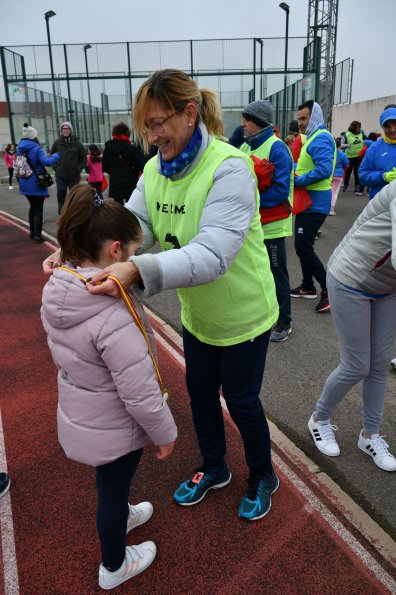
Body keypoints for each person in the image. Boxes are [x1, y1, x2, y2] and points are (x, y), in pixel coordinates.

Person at [44, 68, 280, 522]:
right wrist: (71, 255)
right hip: (199, 317)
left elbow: (212, 253)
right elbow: (132, 227)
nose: (151, 137)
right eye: (145, 127)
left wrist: (136, 267)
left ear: (189, 114)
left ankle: (261, 474)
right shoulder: (154, 169)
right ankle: (214, 468)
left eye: (157, 123)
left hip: (244, 317)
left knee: (242, 401)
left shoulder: (229, 168)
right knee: (200, 395)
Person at [41, 183, 177, 590]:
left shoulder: (60, 288)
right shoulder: (110, 312)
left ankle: (124, 512)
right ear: (115, 251)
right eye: (133, 253)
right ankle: (114, 566)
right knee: (112, 490)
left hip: (87, 412)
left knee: (112, 482)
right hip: (114, 423)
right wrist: (165, 433)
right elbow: (137, 391)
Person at [307, 181, 396, 473]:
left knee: (379, 364)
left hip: (387, 286)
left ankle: (370, 435)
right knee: (357, 365)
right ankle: (319, 419)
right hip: (351, 279)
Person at [240, 99, 294, 342]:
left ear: (259, 122)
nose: (243, 123)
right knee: (253, 272)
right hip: (252, 225)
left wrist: (249, 204)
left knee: (275, 273)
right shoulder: (244, 147)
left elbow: (281, 190)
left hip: (272, 227)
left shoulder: (277, 148)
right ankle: (261, 315)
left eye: (247, 119)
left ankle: (284, 321)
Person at [290, 100, 336, 313]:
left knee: (303, 247)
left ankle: (328, 290)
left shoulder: (321, 138)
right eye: (299, 118)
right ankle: (308, 286)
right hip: (308, 202)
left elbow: (324, 169)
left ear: (314, 117)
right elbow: (310, 165)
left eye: (303, 118)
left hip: (314, 203)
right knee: (303, 246)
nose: (300, 123)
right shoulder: (314, 137)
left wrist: (297, 180)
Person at [17, 123, 59, 243]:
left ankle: (32, 232)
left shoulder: (19, 148)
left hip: (24, 182)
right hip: (36, 182)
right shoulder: (36, 148)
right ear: (33, 136)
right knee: (38, 210)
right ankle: (38, 236)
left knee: (32, 207)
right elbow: (47, 162)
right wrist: (57, 155)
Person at [102, 122, 146, 205]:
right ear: (127, 134)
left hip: (115, 182)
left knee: (119, 208)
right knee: (131, 206)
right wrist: (133, 174)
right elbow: (138, 165)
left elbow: (104, 166)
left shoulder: (108, 147)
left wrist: (113, 172)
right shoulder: (131, 147)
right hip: (129, 182)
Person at [359, 106, 396, 200]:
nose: (392, 129)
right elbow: (363, 175)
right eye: (387, 126)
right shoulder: (374, 148)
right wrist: (383, 176)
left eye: (395, 124)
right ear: (382, 127)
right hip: (380, 205)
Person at [51, 122, 86, 214]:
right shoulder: (57, 143)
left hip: (73, 176)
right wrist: (56, 168)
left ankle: (75, 215)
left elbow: (84, 158)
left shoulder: (77, 144)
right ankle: (61, 215)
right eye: (64, 129)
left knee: (75, 197)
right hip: (60, 175)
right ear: (61, 130)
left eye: (67, 129)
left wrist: (78, 169)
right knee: (61, 193)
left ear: (71, 130)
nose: (65, 130)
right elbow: (52, 157)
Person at [341, 121, 366, 195]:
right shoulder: (347, 134)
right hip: (349, 156)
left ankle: (357, 187)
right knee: (348, 172)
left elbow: (368, 140)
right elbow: (341, 144)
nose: (358, 128)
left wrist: (365, 140)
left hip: (359, 156)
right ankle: (345, 185)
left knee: (357, 172)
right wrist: (346, 145)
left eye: (359, 127)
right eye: (357, 127)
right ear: (353, 127)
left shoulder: (362, 133)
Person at [330, 137, 349, 215]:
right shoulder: (341, 154)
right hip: (338, 175)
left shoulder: (329, 152)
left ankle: (325, 207)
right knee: (334, 192)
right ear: (339, 146)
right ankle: (331, 209)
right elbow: (347, 164)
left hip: (329, 174)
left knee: (328, 191)